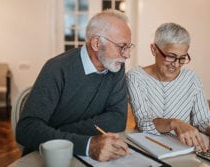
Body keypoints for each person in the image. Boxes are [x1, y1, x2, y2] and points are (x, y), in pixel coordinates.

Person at [16, 9, 135, 162]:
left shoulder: (116, 67)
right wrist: (86, 144)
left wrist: (60, 132)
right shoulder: (56, 69)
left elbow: (117, 119)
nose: (127, 55)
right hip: (49, 157)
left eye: (129, 46)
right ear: (96, 43)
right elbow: (26, 129)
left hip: (86, 153)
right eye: (121, 46)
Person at [126, 22, 210, 153]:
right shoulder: (135, 77)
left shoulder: (192, 79)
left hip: (184, 147)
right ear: (154, 49)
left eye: (182, 58)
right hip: (147, 146)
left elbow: (203, 120)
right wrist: (174, 123)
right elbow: (143, 122)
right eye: (170, 56)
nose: (176, 64)